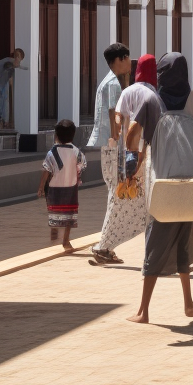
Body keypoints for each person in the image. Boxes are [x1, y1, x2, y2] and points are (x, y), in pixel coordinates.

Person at [126, 52, 193, 324]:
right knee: (184, 244)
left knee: (155, 245)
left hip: (162, 186)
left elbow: (131, 134)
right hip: (191, 184)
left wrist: (133, 159)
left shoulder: (151, 99)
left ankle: (143, 311)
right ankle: (188, 303)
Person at [88, 53, 155, 268]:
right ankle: (105, 246)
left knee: (119, 200)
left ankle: (106, 246)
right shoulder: (153, 94)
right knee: (140, 205)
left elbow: (117, 117)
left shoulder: (127, 91)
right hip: (141, 157)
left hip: (123, 154)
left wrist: (118, 139)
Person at [88, 42, 131, 264]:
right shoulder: (113, 84)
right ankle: (103, 246)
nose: (129, 64)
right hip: (112, 145)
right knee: (115, 196)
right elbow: (115, 117)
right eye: (128, 59)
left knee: (114, 196)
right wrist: (119, 142)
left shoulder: (107, 82)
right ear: (121, 59)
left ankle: (105, 245)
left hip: (107, 144)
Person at [37, 118, 86, 251]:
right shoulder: (77, 152)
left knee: (54, 209)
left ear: (56, 135)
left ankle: (54, 227)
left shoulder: (51, 152)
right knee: (70, 214)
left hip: (54, 188)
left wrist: (41, 187)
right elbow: (81, 166)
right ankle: (66, 241)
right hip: (71, 187)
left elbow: (46, 170)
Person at [0, 48, 24, 127]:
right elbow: (0, 69)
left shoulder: (11, 64)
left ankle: (1, 118)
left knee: (3, 97)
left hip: (1, 80)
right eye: (19, 59)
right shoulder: (9, 62)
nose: (19, 61)